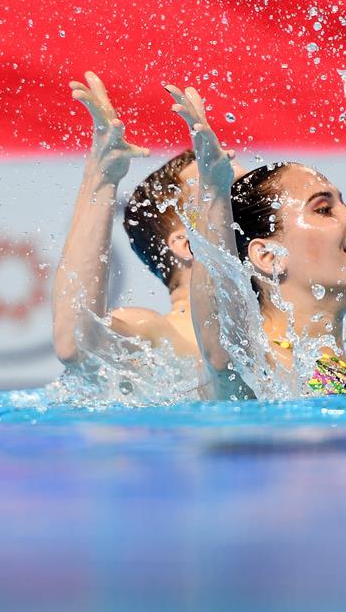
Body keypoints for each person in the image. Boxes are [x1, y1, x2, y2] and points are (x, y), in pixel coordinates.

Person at [166, 84, 346, 398]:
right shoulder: (263, 367)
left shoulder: (342, 377)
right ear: (268, 256)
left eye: (343, 203)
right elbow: (222, 353)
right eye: (323, 209)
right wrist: (214, 193)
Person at [52, 72, 244, 390]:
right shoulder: (162, 337)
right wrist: (101, 179)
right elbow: (76, 343)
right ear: (187, 245)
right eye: (220, 195)